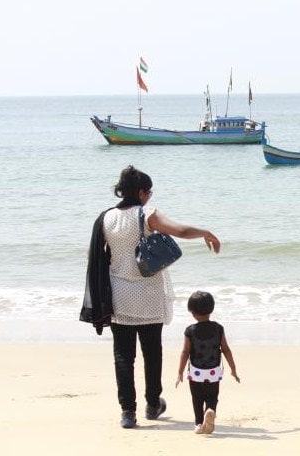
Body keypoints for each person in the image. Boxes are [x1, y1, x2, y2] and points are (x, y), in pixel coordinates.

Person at [84, 165, 221, 429]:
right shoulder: (147, 214)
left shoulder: (106, 218)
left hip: (119, 295)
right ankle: (152, 402)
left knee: (123, 356)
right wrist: (206, 232)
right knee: (152, 352)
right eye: (149, 192)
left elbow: (95, 256)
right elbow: (180, 231)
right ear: (141, 192)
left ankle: (127, 412)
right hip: (149, 294)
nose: (150, 197)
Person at [176, 291, 240, 434]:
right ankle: (210, 410)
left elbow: (185, 352)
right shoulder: (218, 328)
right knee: (212, 396)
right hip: (213, 372)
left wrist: (180, 372)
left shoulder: (190, 331)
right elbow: (226, 350)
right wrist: (233, 369)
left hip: (196, 373)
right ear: (211, 309)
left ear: (192, 313)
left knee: (197, 399)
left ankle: (199, 424)